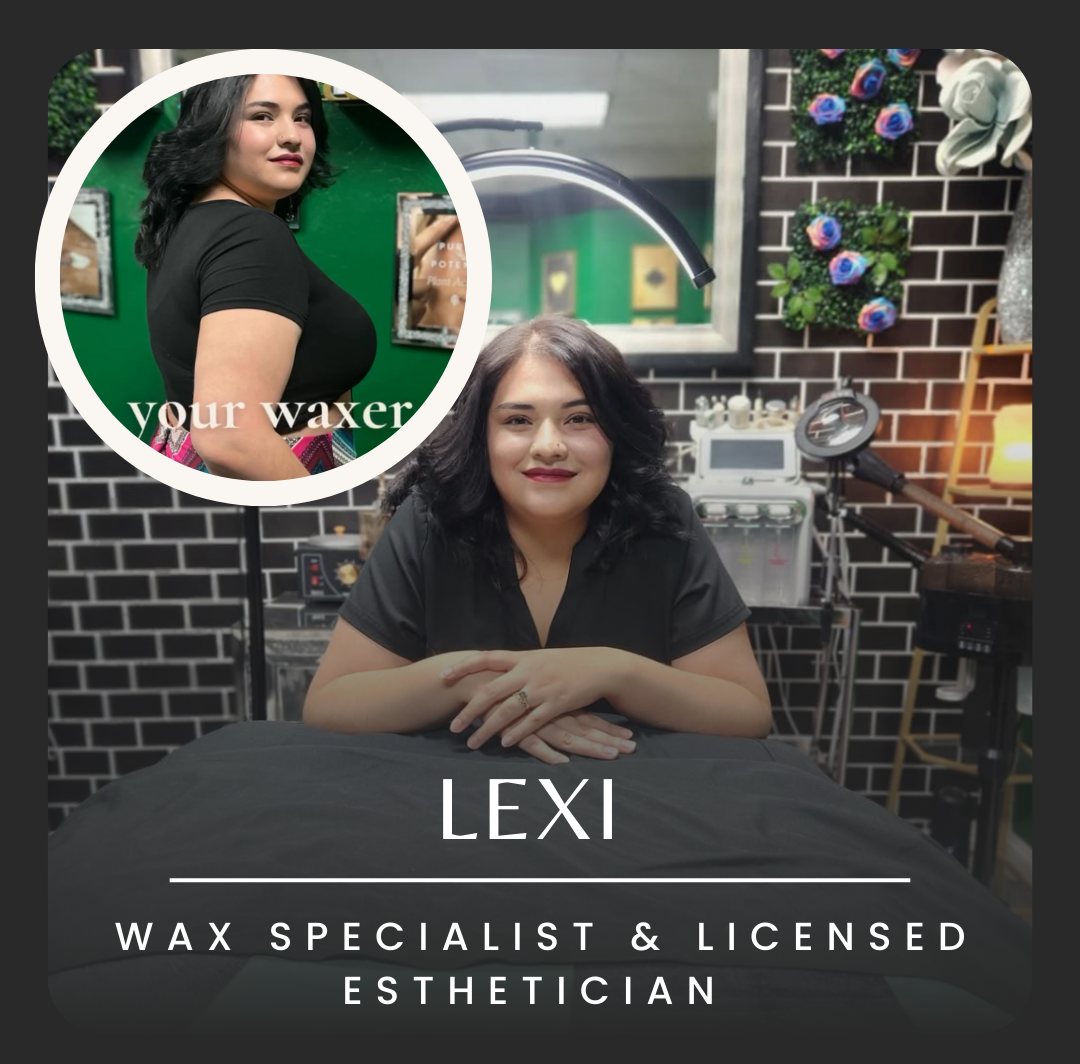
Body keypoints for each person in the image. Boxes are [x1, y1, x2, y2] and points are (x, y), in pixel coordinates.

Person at [304, 316, 771, 762]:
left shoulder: (665, 520)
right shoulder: (431, 520)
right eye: (518, 421)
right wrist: (479, 684)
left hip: (629, 796)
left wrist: (611, 671)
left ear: (617, 432)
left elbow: (746, 712)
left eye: (581, 418)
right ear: (481, 436)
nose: (549, 445)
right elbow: (329, 705)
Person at [135, 74, 377, 478]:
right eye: (262, 116)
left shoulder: (188, 222)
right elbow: (230, 438)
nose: (292, 136)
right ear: (211, 129)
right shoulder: (250, 234)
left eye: (302, 118)